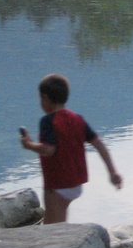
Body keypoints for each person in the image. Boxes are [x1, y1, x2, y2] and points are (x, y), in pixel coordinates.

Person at [20, 73, 123, 224]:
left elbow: (49, 150)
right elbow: (99, 145)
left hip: (57, 185)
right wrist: (113, 172)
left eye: (40, 99)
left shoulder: (48, 121)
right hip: (76, 184)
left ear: (45, 98)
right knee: (57, 223)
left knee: (53, 232)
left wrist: (28, 145)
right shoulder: (78, 119)